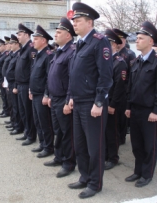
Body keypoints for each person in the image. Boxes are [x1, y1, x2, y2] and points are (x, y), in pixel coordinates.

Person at [67, 2, 113, 199]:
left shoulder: (99, 42)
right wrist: (70, 97)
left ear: (89, 22)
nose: (74, 24)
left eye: (78, 21)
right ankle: (85, 177)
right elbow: (74, 74)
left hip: (91, 104)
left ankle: (95, 183)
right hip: (78, 102)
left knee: (95, 148)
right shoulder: (80, 44)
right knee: (80, 145)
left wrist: (99, 103)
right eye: (74, 21)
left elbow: (106, 76)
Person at [125, 21, 157, 188]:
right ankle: (138, 171)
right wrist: (129, 107)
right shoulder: (136, 62)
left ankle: (147, 174)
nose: (136, 41)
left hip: (149, 112)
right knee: (136, 144)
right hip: (135, 109)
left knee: (149, 145)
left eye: (140, 38)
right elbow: (130, 87)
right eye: (136, 38)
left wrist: (155, 111)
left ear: (151, 41)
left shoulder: (155, 62)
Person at [44, 17, 77, 178]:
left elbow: (72, 78)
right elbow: (52, 76)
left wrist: (67, 101)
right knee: (58, 130)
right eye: (55, 32)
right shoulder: (59, 51)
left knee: (67, 133)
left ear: (68, 36)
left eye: (59, 32)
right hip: (55, 98)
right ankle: (59, 157)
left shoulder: (71, 53)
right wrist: (50, 95)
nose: (55, 35)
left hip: (64, 99)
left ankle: (69, 163)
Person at [29, 25, 54, 158]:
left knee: (45, 122)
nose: (33, 42)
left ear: (44, 40)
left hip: (41, 95)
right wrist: (30, 89)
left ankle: (49, 146)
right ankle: (43, 143)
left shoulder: (48, 55)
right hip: (35, 92)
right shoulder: (37, 55)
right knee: (37, 120)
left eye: (36, 39)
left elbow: (48, 77)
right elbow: (33, 74)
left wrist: (46, 94)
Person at [104, 29, 127, 170]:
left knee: (113, 131)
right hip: (104, 101)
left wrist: (112, 104)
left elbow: (120, 86)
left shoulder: (120, 63)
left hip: (114, 103)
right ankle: (106, 154)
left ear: (113, 45)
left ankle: (113, 157)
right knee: (105, 130)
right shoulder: (106, 61)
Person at [112, 28, 136, 144]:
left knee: (121, 117)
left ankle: (121, 138)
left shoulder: (130, 55)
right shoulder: (111, 55)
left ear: (125, 41)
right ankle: (116, 137)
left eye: (121, 39)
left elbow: (132, 74)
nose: (119, 41)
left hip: (124, 89)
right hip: (115, 89)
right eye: (117, 39)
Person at [14, 23, 37, 145]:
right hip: (20, 84)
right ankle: (27, 132)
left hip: (27, 85)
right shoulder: (22, 49)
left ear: (27, 35)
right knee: (22, 111)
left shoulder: (31, 48)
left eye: (20, 34)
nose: (18, 36)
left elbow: (33, 68)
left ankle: (31, 135)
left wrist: (30, 87)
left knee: (28, 112)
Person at [6, 34, 24, 135]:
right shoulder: (13, 54)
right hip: (11, 83)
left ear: (17, 44)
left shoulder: (18, 54)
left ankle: (18, 126)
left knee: (17, 108)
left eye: (12, 43)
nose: (10, 45)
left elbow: (19, 72)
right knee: (13, 105)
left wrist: (15, 85)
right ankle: (14, 123)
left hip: (16, 83)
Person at [0, 39, 10, 118]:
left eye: (0, 46)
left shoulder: (7, 54)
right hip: (2, 78)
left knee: (5, 96)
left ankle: (6, 111)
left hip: (5, 78)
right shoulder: (3, 54)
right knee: (4, 96)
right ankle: (5, 110)